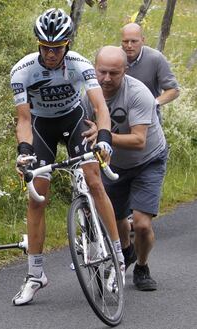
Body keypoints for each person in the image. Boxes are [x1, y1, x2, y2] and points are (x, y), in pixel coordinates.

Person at [10, 8, 125, 306]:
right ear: (39, 44)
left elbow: (100, 109)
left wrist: (104, 139)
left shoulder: (80, 65)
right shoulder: (22, 71)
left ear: (67, 45)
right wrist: (24, 152)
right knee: (37, 198)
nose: (51, 54)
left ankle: (118, 260)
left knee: (94, 181)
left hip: (74, 121)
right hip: (42, 127)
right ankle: (35, 275)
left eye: (57, 48)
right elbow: (23, 120)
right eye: (46, 48)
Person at [83, 46, 168, 291]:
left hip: (148, 160)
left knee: (141, 224)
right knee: (118, 218)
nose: (106, 79)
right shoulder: (86, 92)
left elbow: (138, 140)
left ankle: (142, 267)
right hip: (112, 163)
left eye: (114, 73)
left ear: (125, 71)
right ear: (94, 69)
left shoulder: (138, 93)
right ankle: (127, 252)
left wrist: (103, 136)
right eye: (102, 72)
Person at [121, 23, 180, 123]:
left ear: (143, 40)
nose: (129, 45)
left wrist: (153, 103)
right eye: (125, 41)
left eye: (134, 41)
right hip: (120, 116)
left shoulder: (155, 58)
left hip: (148, 120)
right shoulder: (115, 57)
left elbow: (174, 90)